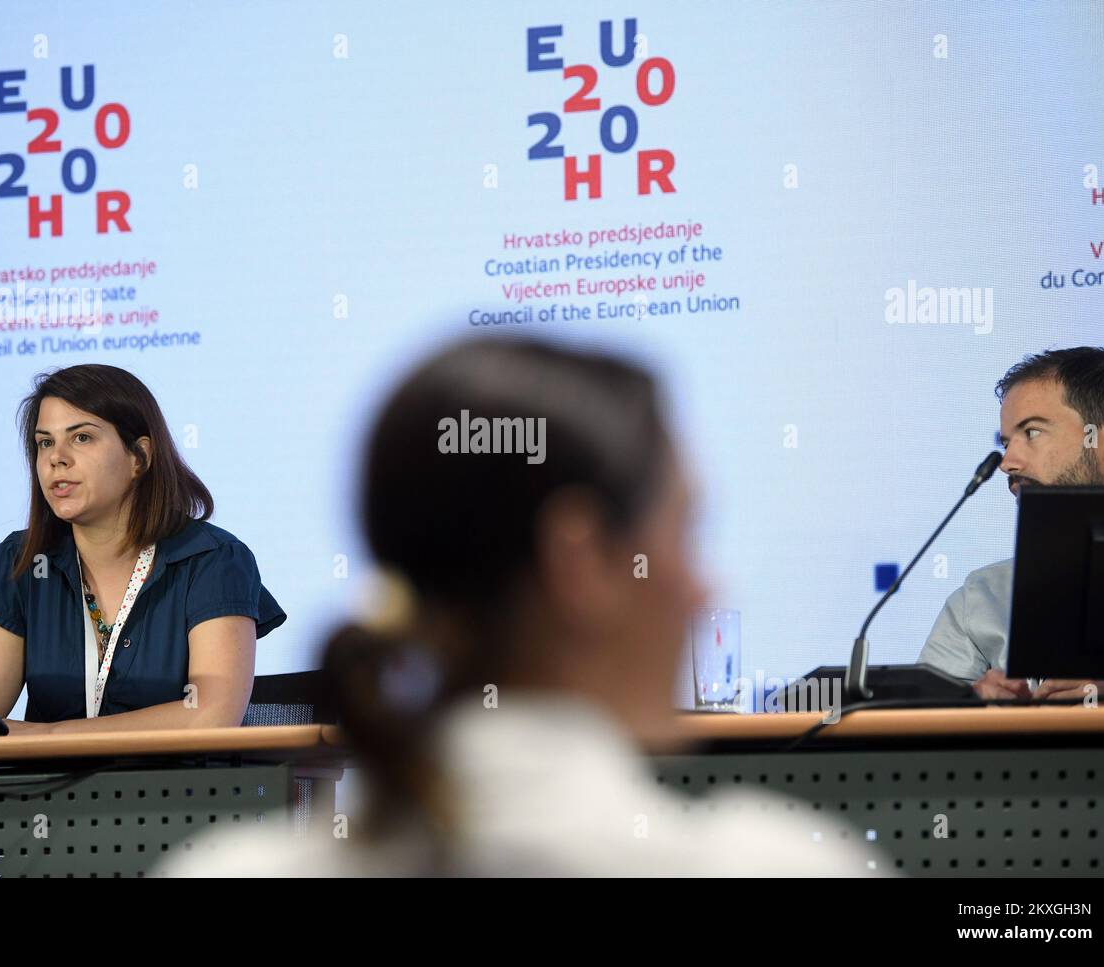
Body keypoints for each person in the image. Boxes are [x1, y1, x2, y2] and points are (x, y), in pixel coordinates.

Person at [157, 336, 880, 876]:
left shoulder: (223, 869)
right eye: (684, 532)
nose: (704, 587)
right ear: (582, 558)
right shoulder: (772, 866)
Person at [0, 364, 286, 733]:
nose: (55, 458)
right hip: (44, 789)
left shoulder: (211, 560)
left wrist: (51, 735)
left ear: (139, 457)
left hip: (179, 788)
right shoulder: (22, 561)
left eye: (81, 438)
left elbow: (210, 714)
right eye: (45, 441)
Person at [919, 347, 1104, 703]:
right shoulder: (982, 598)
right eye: (1006, 443)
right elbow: (915, 738)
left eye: (1032, 432)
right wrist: (969, 709)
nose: (1008, 462)